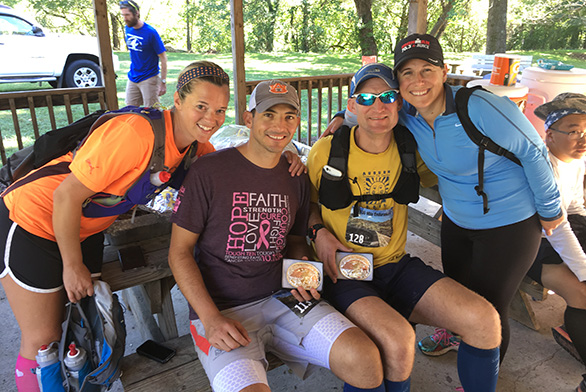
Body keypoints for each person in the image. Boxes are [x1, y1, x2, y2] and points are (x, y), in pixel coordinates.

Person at [0, 61, 306, 392]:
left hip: (84, 229)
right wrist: (72, 265)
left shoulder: (197, 151)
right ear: (177, 100)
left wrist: (285, 157)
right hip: (33, 218)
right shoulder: (136, 133)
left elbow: (236, 170)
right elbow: (65, 196)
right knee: (42, 339)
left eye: (220, 110)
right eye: (201, 107)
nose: (212, 119)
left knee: (86, 326)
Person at [323, 35, 564, 364]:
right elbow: (373, 107)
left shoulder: (480, 106)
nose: (417, 81)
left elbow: (534, 152)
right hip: (457, 221)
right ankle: (455, 337)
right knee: (458, 292)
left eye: (427, 69)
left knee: (487, 308)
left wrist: (551, 211)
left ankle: (481, 378)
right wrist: (341, 115)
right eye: (407, 73)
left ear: (444, 71)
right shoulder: (408, 112)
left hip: (509, 223)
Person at [168, 79, 386, 392]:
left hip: (282, 297)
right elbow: (179, 252)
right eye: (269, 114)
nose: (279, 125)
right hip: (221, 310)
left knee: (365, 361)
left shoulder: (295, 175)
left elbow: (296, 241)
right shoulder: (209, 171)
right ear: (248, 118)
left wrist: (301, 272)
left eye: (289, 116)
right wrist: (210, 318)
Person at [306, 63, 502, 392]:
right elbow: (304, 205)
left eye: (387, 96)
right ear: (352, 105)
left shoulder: (410, 148)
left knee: (484, 320)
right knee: (399, 341)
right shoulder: (326, 150)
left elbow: (452, 171)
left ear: (399, 103)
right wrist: (318, 233)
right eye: (366, 99)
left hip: (396, 265)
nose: (378, 106)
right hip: (343, 272)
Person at [120, 0, 168, 107]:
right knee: (129, 110)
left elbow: (163, 57)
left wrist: (163, 82)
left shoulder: (150, 32)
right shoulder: (127, 28)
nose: (125, 18)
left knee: (152, 112)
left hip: (149, 78)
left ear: (136, 13)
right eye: (123, 15)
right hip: (133, 77)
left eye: (127, 15)